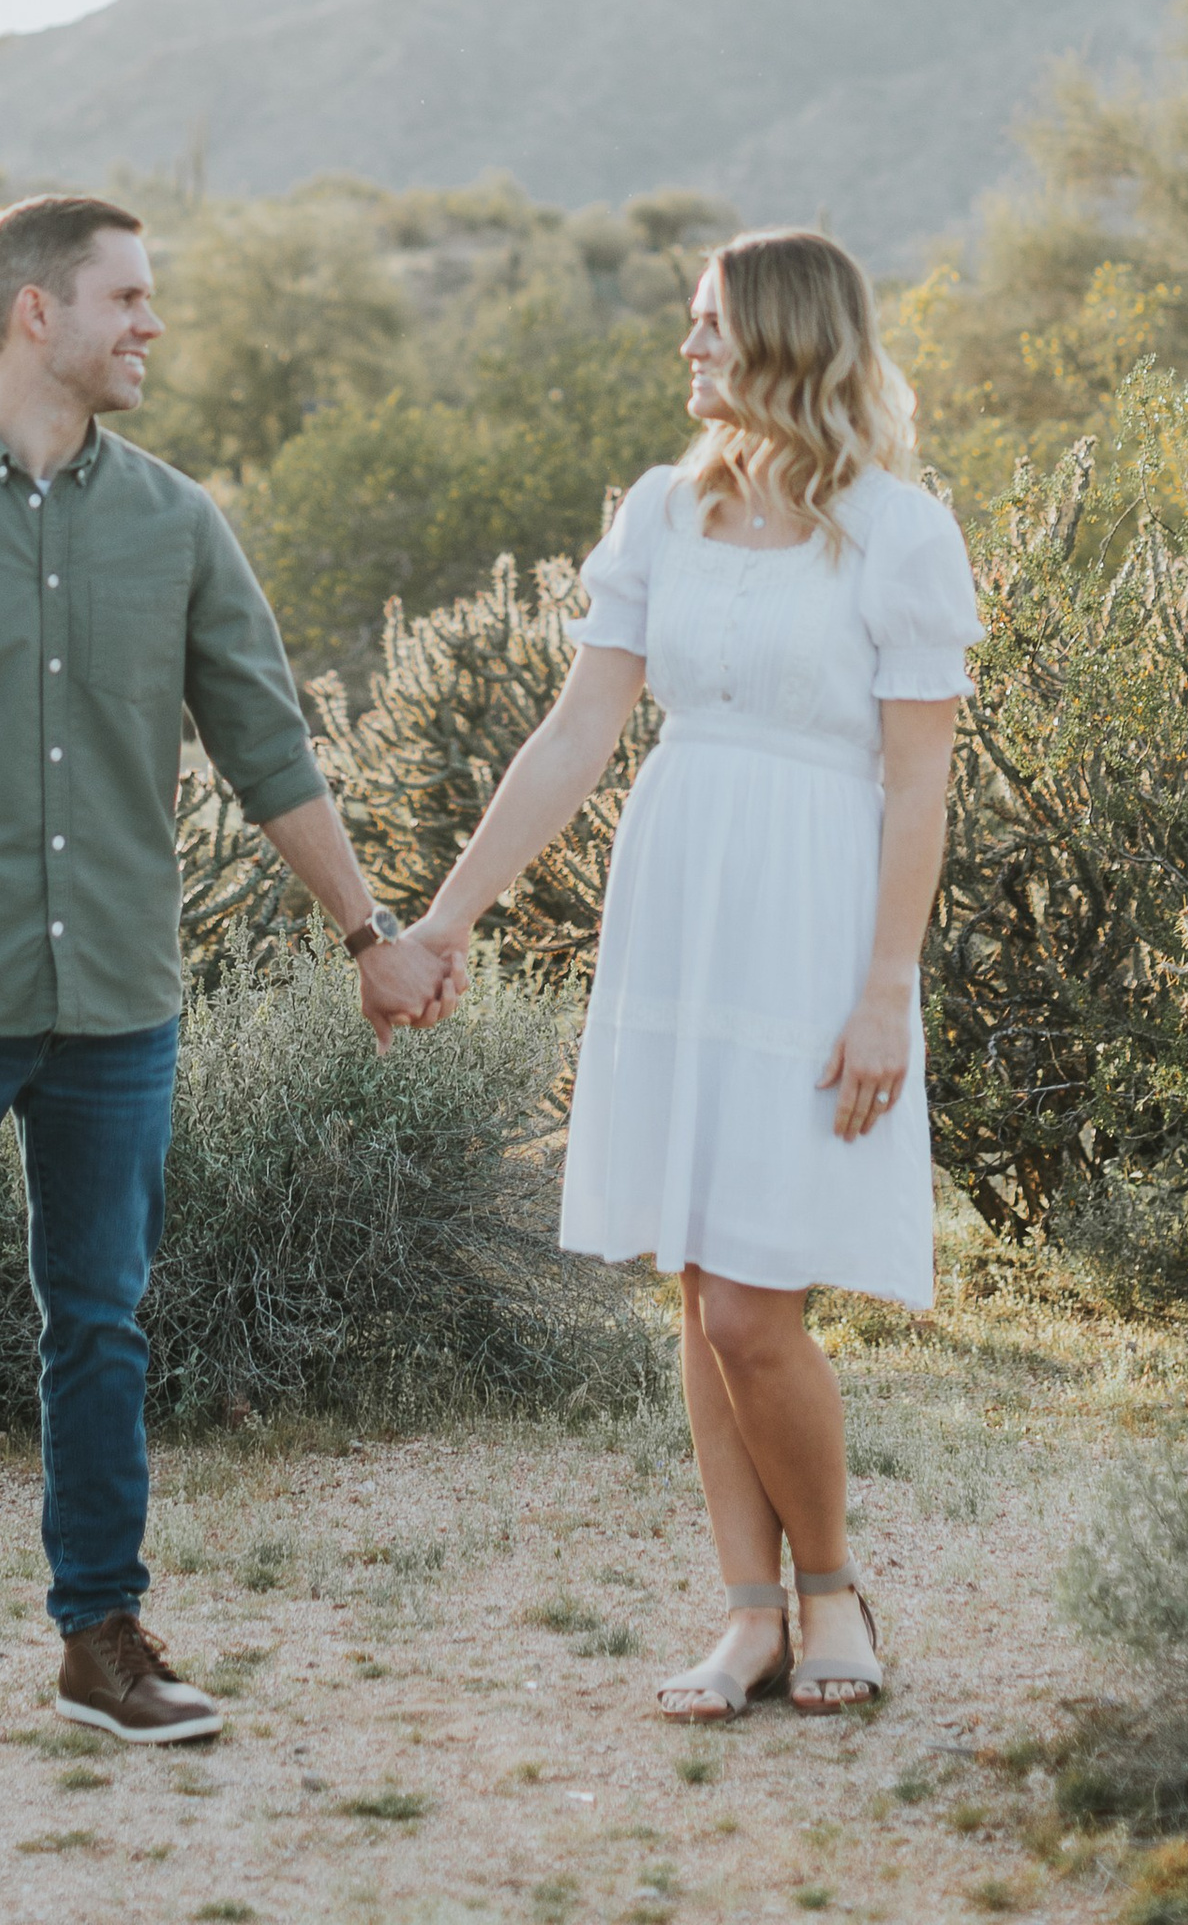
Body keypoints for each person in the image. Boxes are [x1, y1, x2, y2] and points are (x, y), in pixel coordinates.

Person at [0, 191, 457, 1766]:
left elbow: (268, 744)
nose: (153, 324)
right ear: (32, 315)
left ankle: (102, 1642)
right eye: (127, 298)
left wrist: (368, 935)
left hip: (119, 1004)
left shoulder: (178, 524)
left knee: (102, 1327)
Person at [409, 226, 977, 1721]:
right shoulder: (661, 512)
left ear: (787, 341)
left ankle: (834, 1587)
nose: (686, 348)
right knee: (698, 1280)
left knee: (750, 1306)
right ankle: (748, 1614)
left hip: (813, 923)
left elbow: (918, 791)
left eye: (709, 323)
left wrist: (884, 996)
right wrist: (451, 913)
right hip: (680, 908)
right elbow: (574, 738)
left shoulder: (900, 533)